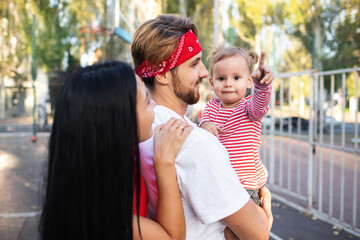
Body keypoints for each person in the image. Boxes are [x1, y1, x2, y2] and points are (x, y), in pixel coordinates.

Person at [132, 14, 271, 239]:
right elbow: (258, 233)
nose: (205, 72)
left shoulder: (144, 128)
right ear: (163, 74)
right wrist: (261, 208)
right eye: (194, 63)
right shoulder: (192, 141)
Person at [39, 61, 192, 240]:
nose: (154, 105)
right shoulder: (102, 214)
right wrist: (164, 159)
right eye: (146, 101)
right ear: (120, 122)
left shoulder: (94, 171)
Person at [199, 46, 273, 208]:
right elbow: (203, 126)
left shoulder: (249, 107)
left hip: (245, 184)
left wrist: (261, 86)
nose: (228, 84)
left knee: (245, 230)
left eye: (236, 77)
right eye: (221, 78)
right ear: (212, 82)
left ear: (248, 82)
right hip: (219, 182)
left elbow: (260, 104)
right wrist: (206, 125)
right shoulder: (211, 106)